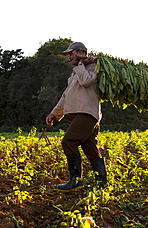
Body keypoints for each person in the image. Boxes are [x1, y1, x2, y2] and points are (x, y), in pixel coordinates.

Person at [46, 42, 107, 191]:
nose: (70, 57)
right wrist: (55, 113)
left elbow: (86, 81)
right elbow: (66, 96)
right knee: (90, 147)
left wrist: (81, 64)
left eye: (71, 53)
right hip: (81, 114)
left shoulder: (93, 67)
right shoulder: (75, 73)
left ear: (81, 52)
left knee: (69, 141)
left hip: (87, 113)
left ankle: (75, 180)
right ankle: (101, 182)